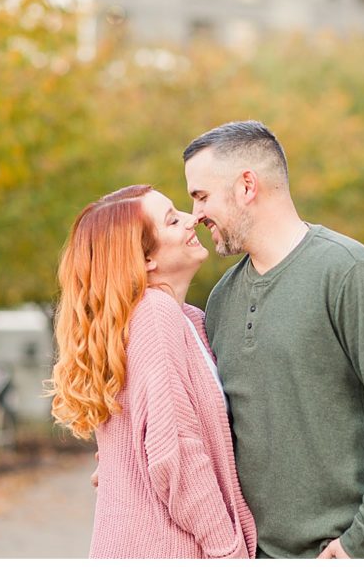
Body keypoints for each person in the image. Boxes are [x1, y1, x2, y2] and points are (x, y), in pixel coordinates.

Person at [182, 120, 364, 559]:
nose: (195, 215)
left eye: (201, 196)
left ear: (247, 186)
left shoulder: (349, 272)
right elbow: (201, 423)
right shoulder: (223, 298)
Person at [47, 185, 256, 559]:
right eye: (173, 220)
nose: (194, 219)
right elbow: (175, 453)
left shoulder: (186, 319)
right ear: (144, 259)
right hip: (164, 547)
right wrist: (228, 551)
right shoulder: (154, 316)